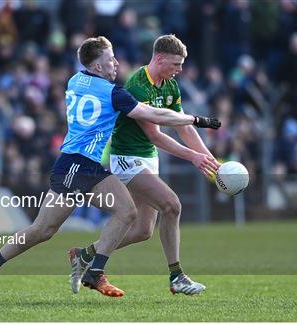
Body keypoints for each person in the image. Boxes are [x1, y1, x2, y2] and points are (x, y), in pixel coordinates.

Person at [0, 36, 220, 302]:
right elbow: (154, 116)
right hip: (74, 167)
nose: (116, 63)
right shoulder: (113, 93)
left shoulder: (75, 80)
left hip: (86, 165)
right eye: (111, 58)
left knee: (126, 212)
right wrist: (197, 119)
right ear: (99, 66)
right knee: (42, 230)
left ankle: (95, 270)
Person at [70, 35, 220, 295]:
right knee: (172, 205)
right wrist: (193, 157)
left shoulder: (171, 86)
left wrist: (210, 160)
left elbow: (184, 127)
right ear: (159, 58)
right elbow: (155, 135)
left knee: (142, 230)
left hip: (147, 158)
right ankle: (177, 276)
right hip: (127, 158)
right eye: (175, 64)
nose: (179, 70)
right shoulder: (138, 85)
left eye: (181, 65)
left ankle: (84, 254)